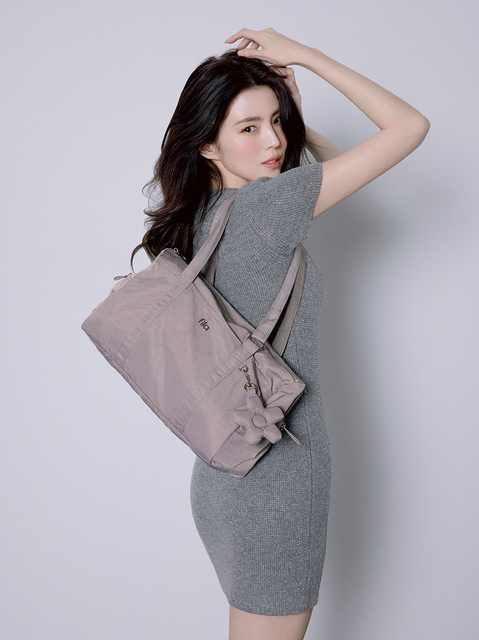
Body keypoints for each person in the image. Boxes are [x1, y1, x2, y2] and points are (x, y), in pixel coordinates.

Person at [133, 27, 429, 640]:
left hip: (223, 471)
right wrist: (305, 57)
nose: (273, 140)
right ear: (206, 143)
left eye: (277, 122)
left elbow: (333, 174)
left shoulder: (201, 216)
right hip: (278, 477)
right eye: (249, 128)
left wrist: (295, 118)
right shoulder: (271, 208)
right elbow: (408, 127)